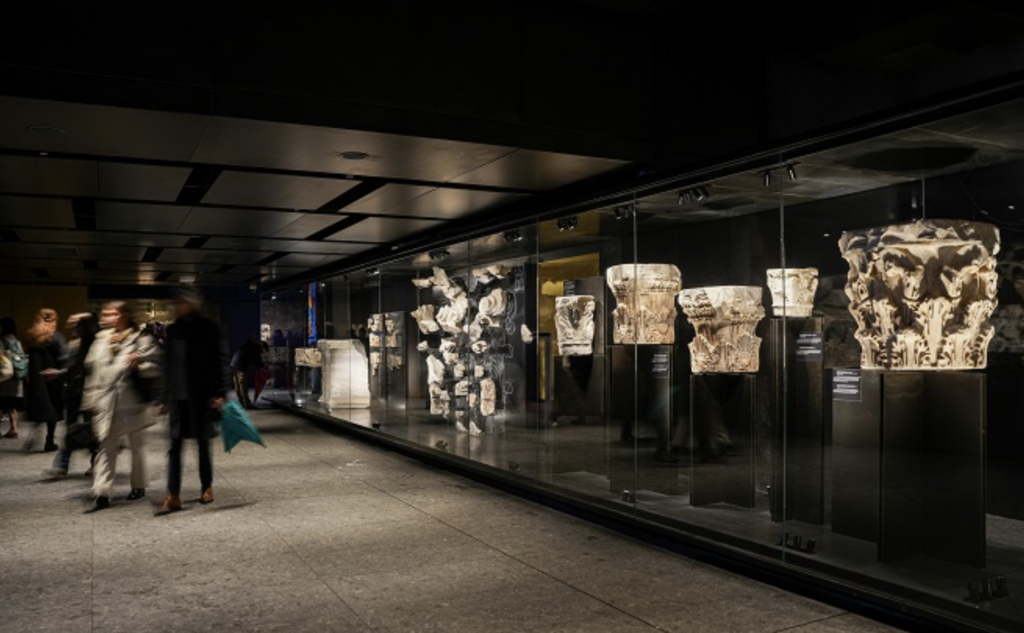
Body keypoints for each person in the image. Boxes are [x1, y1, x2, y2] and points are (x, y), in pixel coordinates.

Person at [81, 302, 162, 509]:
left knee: (137, 446)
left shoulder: (140, 338)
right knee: (106, 446)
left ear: (124, 315)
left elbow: (155, 366)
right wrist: (90, 400)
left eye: (111, 313)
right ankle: (102, 491)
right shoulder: (101, 340)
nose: (105, 317)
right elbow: (93, 372)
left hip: (133, 402)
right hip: (107, 402)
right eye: (104, 313)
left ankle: (139, 484)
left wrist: (140, 364)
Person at [156, 287, 229, 515]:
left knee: (203, 445)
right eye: (175, 302)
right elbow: (167, 366)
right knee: (175, 447)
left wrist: (220, 393)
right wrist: (163, 397)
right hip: (177, 398)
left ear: (192, 303)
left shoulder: (209, 328)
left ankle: (207, 487)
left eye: (181, 302)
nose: (176, 306)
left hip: (202, 396)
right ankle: (173, 494)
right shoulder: (172, 330)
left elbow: (220, 362)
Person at [46, 313, 100, 478]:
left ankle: (94, 463)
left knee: (93, 430)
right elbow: (72, 368)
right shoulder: (76, 344)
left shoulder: (99, 345)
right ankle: (62, 465)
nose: (74, 328)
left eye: (78, 325)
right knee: (71, 430)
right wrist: (58, 373)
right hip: (75, 392)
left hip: (92, 392)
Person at [22, 311, 65, 452]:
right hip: (51, 377)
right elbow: (62, 356)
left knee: (40, 407)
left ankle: (33, 436)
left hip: (36, 379)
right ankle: (49, 440)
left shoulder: (32, 337)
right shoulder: (55, 337)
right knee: (52, 409)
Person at [0, 317, 26, 438]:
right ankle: (14, 429)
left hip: (4, 377)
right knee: (12, 405)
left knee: (1, 403)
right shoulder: (17, 342)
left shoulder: (1, 341)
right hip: (17, 375)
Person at [230, 336, 266, 409]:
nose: (263, 353)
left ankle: (241, 403)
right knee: (243, 386)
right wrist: (264, 366)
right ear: (263, 347)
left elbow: (252, 359)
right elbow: (257, 360)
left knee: (238, 386)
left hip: (233, 365)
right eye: (264, 351)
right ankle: (247, 404)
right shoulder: (255, 348)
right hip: (241, 366)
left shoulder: (249, 346)